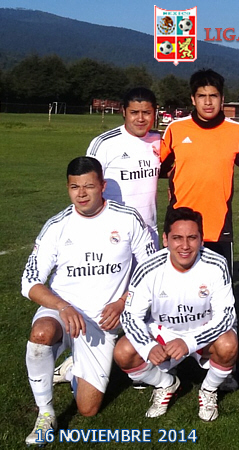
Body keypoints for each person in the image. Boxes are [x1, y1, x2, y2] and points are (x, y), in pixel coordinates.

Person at [21, 156, 155, 445]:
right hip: (63, 312)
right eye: (74, 187)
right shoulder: (57, 226)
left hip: (101, 322)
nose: (81, 194)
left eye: (89, 186)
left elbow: (151, 269)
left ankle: (74, 367)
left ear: (102, 186)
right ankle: (46, 414)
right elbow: (29, 282)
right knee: (41, 334)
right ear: (68, 188)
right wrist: (62, 306)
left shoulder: (127, 219)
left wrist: (123, 301)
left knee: (88, 409)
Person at [115, 206, 237, 421]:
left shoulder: (216, 264)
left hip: (202, 332)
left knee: (228, 344)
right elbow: (130, 316)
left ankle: (208, 390)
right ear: (165, 239)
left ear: (201, 240)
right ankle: (166, 384)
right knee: (123, 352)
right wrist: (148, 346)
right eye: (177, 238)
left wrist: (189, 342)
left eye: (192, 238)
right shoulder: (149, 267)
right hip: (164, 333)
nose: (185, 246)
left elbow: (225, 317)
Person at [160, 69, 239, 274]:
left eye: (213, 96)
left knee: (219, 287)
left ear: (222, 99)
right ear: (193, 99)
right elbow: (157, 169)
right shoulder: (176, 129)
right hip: (180, 225)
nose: (208, 102)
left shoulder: (236, 132)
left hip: (219, 227)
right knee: (176, 286)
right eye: (202, 96)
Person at [86, 87, 162, 248]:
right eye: (134, 112)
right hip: (113, 231)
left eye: (146, 113)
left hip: (149, 231)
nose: (140, 118)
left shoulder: (159, 140)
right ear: (123, 111)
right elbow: (86, 186)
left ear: (155, 112)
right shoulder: (104, 143)